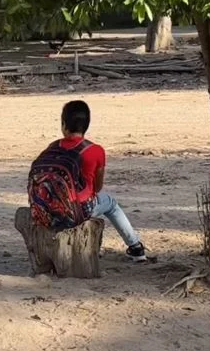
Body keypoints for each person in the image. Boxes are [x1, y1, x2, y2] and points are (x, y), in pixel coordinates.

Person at [52, 100, 147, 262]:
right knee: (110, 203)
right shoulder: (95, 151)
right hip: (79, 209)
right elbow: (97, 187)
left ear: (63, 125)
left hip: (50, 208)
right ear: (86, 125)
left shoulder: (52, 148)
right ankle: (135, 247)